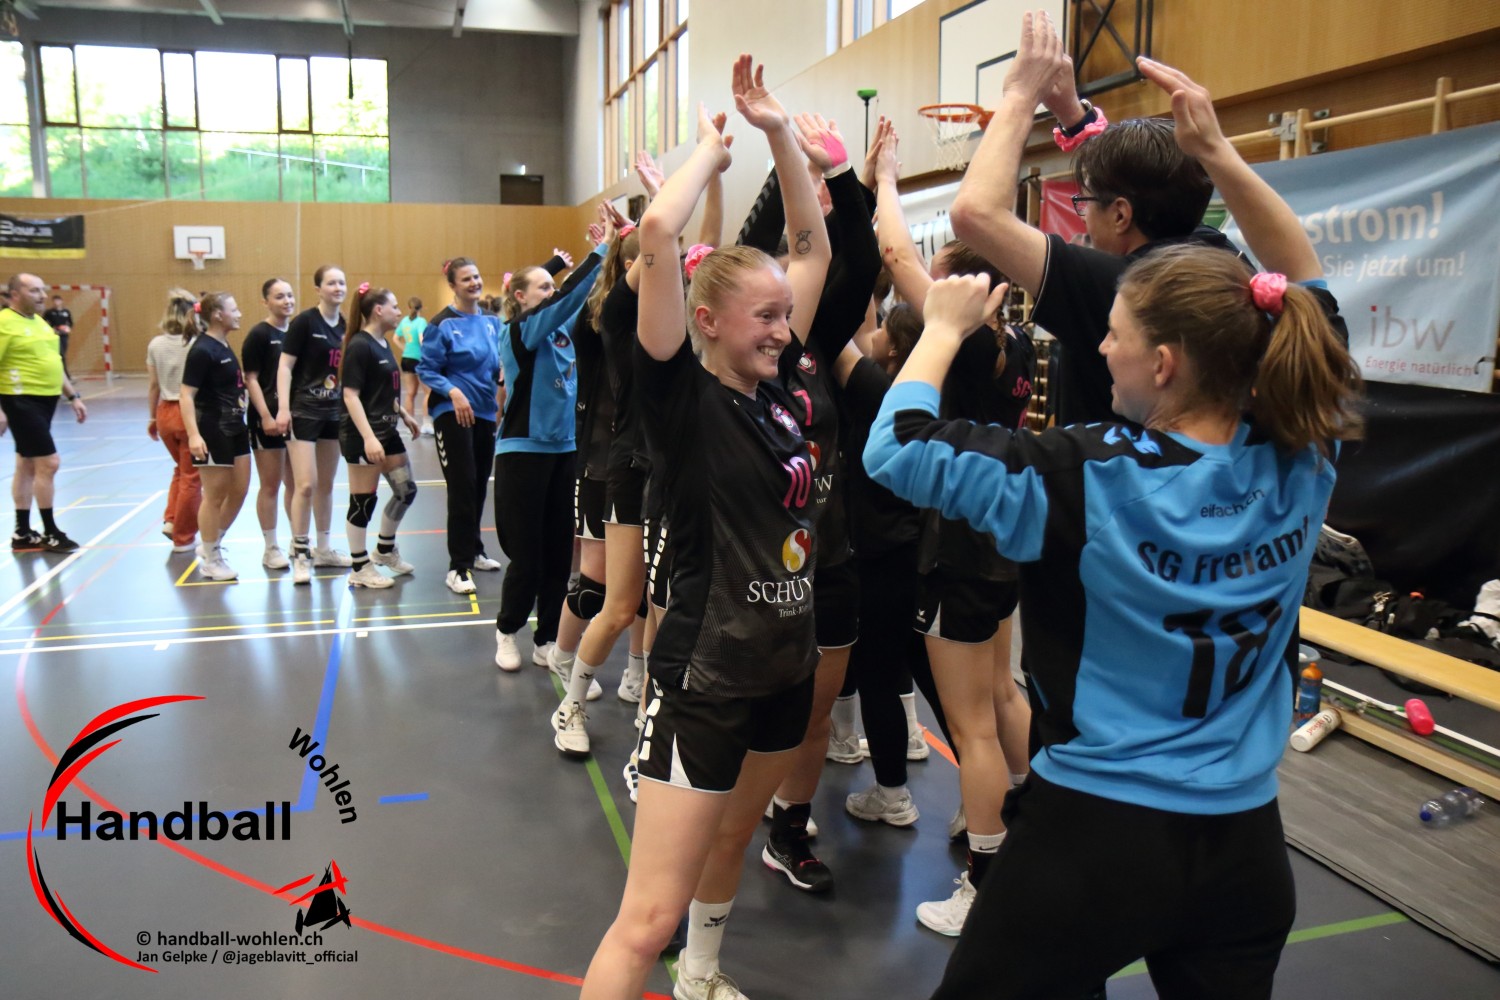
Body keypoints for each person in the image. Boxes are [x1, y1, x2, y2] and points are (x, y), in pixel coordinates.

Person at [866, 50, 1363, 1000]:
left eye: (1115, 337)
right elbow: (1304, 277)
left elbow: (898, 448)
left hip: (1097, 836)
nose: (1098, 346)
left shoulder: (1085, 477)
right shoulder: (1304, 448)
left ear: (1164, 364)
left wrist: (941, 328)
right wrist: (1218, 154)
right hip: (1245, 848)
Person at [578, 58, 831, 1000]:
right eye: (764, 317)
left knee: (732, 842)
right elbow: (657, 231)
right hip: (705, 680)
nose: (783, 330)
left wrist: (782, 137)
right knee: (647, 919)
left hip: (784, 665)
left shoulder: (782, 389)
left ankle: (704, 977)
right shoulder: (680, 399)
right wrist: (712, 157)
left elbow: (811, 245)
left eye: (785, 316)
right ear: (710, 321)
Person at [492, 244, 606, 674]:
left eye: (551, 285)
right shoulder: (521, 330)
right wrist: (601, 250)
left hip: (565, 452)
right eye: (542, 287)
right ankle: (507, 629)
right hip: (523, 453)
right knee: (528, 557)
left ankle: (547, 638)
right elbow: (568, 298)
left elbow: (581, 303)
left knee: (561, 556)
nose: (551, 292)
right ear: (520, 296)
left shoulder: (563, 331)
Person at [417, 257, 510, 595]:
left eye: (476, 276)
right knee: (462, 486)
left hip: (484, 413)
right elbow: (426, 369)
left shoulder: (491, 322)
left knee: (479, 484)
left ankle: (475, 549)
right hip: (452, 413)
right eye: (466, 279)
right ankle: (458, 567)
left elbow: (498, 363)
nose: (474, 283)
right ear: (453, 286)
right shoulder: (441, 324)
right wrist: (453, 392)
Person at [338, 283, 421, 588]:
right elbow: (351, 395)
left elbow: (381, 390)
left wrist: (403, 414)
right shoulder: (360, 345)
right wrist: (369, 438)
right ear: (378, 310)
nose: (399, 312)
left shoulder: (382, 343)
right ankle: (360, 567)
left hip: (388, 430)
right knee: (362, 502)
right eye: (394, 306)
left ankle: (384, 550)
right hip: (363, 435)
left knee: (406, 490)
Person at [276, 265, 353, 582]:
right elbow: (284, 366)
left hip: (332, 413)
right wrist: (283, 408)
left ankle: (324, 549)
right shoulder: (305, 322)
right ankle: (300, 553)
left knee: (326, 485)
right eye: (331, 283)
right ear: (318, 289)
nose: (338, 287)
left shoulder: (346, 326)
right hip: (304, 412)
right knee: (305, 484)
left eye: (341, 282)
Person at [0, 273, 87, 552]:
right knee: (49, 463)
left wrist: (72, 396)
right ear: (15, 294)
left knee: (26, 465)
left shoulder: (40, 323)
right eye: (34, 290)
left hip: (46, 402)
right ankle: (51, 531)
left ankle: (23, 532)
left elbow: (54, 363)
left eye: (43, 290)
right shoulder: (4, 323)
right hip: (20, 399)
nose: (42, 296)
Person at [179, 292, 252, 582]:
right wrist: (194, 436)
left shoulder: (224, 344)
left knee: (240, 489)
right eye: (234, 309)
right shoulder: (202, 349)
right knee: (214, 495)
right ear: (218, 315)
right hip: (213, 428)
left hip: (236, 426)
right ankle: (211, 558)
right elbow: (186, 395)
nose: (239, 314)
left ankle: (212, 541)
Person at [241, 277, 297, 570]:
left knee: (297, 483)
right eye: (279, 296)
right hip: (268, 420)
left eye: (289, 295)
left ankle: (298, 541)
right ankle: (270, 547)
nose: (287, 301)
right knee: (271, 484)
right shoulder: (259, 335)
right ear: (266, 302)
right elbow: (250, 379)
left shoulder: (297, 332)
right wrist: (265, 415)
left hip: (295, 420)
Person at [145, 288, 201, 555]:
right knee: (192, 476)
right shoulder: (195, 343)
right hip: (187, 411)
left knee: (180, 469)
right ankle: (184, 537)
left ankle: (171, 519)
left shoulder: (155, 344)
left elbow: (153, 385)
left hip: (165, 412)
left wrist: (152, 417)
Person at [396, 296, 432, 436]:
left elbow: (395, 338)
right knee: (428, 392)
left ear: (409, 307)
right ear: (421, 308)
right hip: (418, 359)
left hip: (406, 359)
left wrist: (404, 348)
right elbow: (422, 339)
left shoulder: (404, 321)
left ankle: (410, 423)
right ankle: (427, 423)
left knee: (410, 393)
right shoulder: (421, 321)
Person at [43, 294, 73, 373]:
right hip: (53, 336)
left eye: (58, 301)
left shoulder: (66, 312)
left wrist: (68, 328)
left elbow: (70, 323)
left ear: (61, 301)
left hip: (64, 335)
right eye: (55, 301)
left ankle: (63, 373)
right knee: (59, 354)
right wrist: (51, 329)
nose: (57, 302)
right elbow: (43, 322)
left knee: (63, 354)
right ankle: (64, 374)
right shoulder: (49, 312)